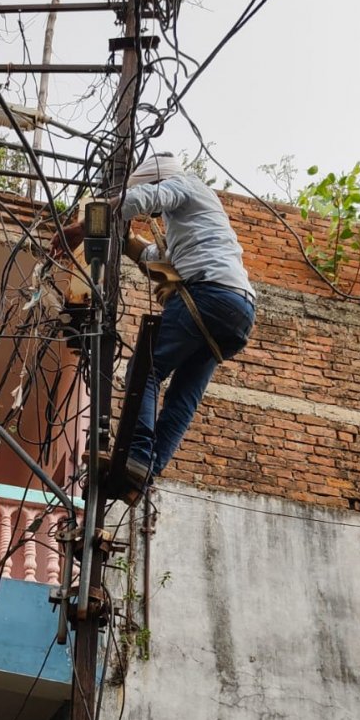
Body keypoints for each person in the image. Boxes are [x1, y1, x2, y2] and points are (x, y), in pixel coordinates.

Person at [117, 151, 256, 499]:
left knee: (145, 368)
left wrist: (96, 217)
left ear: (158, 179)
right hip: (238, 311)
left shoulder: (185, 185)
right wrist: (127, 245)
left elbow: (144, 197)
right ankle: (146, 472)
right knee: (184, 396)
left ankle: (137, 456)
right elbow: (159, 260)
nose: (154, 215)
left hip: (208, 297)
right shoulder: (198, 225)